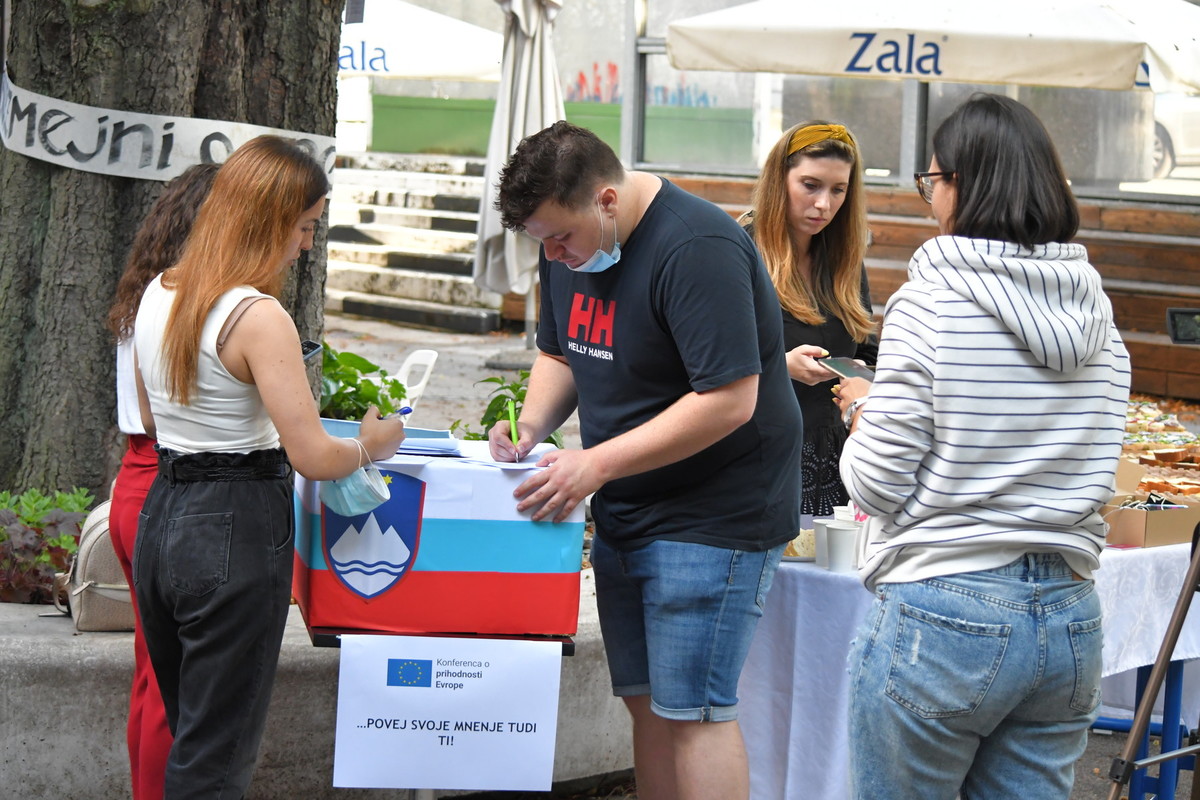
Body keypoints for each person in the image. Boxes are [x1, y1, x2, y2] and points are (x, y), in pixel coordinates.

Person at [487, 120, 802, 800]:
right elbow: (559, 350)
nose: (557, 257)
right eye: (543, 243)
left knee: (695, 713)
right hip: (629, 505)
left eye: (562, 238)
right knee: (648, 704)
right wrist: (532, 425)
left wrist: (594, 466)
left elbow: (728, 400)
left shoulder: (698, 246)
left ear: (604, 199)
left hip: (715, 513)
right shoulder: (566, 242)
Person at [833, 93, 1131, 800]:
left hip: (944, 606)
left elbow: (874, 485)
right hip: (1069, 612)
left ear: (964, 184)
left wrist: (863, 416)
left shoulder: (929, 300)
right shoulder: (1098, 311)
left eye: (930, 180)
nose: (928, 196)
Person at [132, 135, 407, 798]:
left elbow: (148, 419)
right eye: (307, 225)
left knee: (193, 735)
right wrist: (373, 445)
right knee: (217, 756)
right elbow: (312, 454)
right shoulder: (258, 316)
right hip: (237, 523)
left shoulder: (157, 293)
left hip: (163, 512)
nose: (308, 243)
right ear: (272, 220)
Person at [106, 162, 219, 800]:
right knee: (170, 686)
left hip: (136, 477)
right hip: (166, 481)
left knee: (153, 677)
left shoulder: (149, 292)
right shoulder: (182, 300)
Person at [744, 121, 876, 520]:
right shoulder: (739, 251)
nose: (824, 204)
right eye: (810, 185)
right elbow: (699, 362)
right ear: (778, 179)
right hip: (757, 451)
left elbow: (867, 347)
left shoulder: (844, 261)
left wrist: (862, 379)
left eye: (838, 190)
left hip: (836, 454)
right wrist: (780, 367)